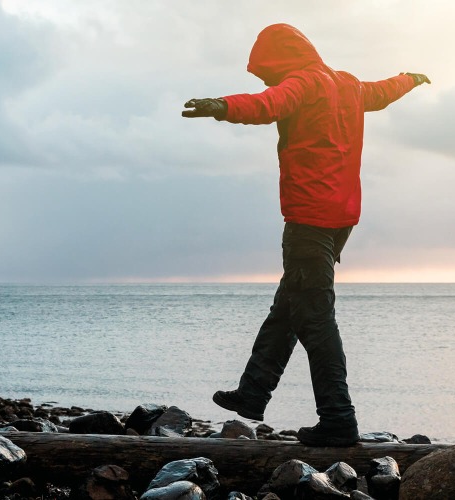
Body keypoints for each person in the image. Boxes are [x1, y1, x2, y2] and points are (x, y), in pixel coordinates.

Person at [181, 23, 429, 447]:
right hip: (342, 218)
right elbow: (381, 91)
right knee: (290, 305)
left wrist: (222, 105)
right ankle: (253, 392)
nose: (267, 79)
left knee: (314, 318)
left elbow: (268, 104)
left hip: (309, 219)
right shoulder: (347, 84)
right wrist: (409, 78)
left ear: (279, 59)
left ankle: (338, 419)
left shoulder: (303, 82)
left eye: (266, 70)